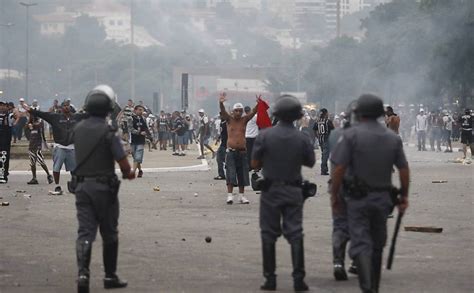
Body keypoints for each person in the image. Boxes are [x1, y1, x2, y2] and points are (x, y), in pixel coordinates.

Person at [331, 94, 410, 293]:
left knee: (360, 243)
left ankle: (368, 288)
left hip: (357, 198)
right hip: (383, 199)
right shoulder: (392, 138)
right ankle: (374, 285)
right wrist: (404, 196)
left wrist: (334, 195)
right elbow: (403, 169)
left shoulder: (350, 136)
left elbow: (339, 168)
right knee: (377, 244)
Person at [73, 85, 135, 293]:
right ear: (108, 109)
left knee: (85, 232)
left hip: (81, 187)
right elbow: (124, 165)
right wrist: (130, 173)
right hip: (104, 189)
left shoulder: (78, 129)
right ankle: (110, 276)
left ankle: (83, 274)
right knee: (109, 232)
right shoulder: (109, 131)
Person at [251, 95, 315, 291]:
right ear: (297, 115)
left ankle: (270, 279)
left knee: (268, 234)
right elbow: (310, 162)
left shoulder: (265, 136)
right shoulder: (301, 137)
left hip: (271, 191)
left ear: (276, 114)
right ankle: (298, 279)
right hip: (294, 189)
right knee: (295, 233)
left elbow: (254, 163)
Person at [24, 99, 88, 194]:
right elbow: (42, 114)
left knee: (74, 169)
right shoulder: (55, 117)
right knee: (56, 168)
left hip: (71, 147)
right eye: (65, 105)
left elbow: (89, 115)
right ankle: (57, 186)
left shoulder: (76, 117)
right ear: (61, 108)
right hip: (60, 147)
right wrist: (30, 110)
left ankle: (74, 185)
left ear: (70, 107)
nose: (66, 107)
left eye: (68, 105)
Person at [328, 103, 358, 281]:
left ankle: (338, 262)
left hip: (338, 185)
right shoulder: (366, 136)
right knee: (360, 225)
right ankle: (356, 261)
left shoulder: (334, 134)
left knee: (340, 225)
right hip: (360, 188)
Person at [219, 93, 258, 204]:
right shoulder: (229, 120)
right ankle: (230, 195)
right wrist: (221, 102)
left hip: (242, 152)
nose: (238, 112)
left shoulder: (244, 120)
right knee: (231, 174)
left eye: (240, 111)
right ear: (233, 111)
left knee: (242, 174)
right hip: (231, 152)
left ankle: (241, 196)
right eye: (236, 110)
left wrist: (258, 104)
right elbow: (223, 111)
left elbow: (253, 112)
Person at [26, 113, 53, 185]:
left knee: (41, 161)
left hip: (37, 145)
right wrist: (29, 126)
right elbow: (27, 132)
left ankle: (49, 175)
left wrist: (32, 126)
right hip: (31, 145)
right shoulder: (29, 124)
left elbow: (40, 130)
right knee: (32, 163)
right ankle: (34, 178)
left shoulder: (40, 123)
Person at [128, 105, 149, 177]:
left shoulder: (143, 118)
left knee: (138, 156)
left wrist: (148, 135)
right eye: (140, 110)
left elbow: (146, 128)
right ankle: (140, 170)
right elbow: (130, 129)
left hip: (141, 141)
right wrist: (139, 132)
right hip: (133, 140)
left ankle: (133, 172)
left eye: (142, 110)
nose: (141, 111)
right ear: (135, 110)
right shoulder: (130, 118)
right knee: (135, 157)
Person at [314, 108, 334, 175]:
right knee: (325, 155)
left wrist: (317, 136)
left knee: (323, 154)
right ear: (325, 113)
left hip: (320, 140)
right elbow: (333, 130)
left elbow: (314, 129)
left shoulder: (317, 121)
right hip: (326, 139)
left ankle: (324, 169)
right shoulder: (328, 121)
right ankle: (323, 170)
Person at [0, 99, 14, 184]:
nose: (1, 107)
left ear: (7, 107)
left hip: (5, 140)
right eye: (0, 105)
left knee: (4, 158)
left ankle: (3, 175)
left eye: (3, 105)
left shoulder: (9, 116)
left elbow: (17, 116)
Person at [214, 113, 228, 180]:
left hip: (226, 144)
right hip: (223, 144)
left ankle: (224, 174)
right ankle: (222, 174)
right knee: (220, 159)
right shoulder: (221, 123)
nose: (221, 116)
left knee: (222, 159)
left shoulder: (227, 124)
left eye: (222, 115)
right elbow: (222, 133)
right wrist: (218, 139)